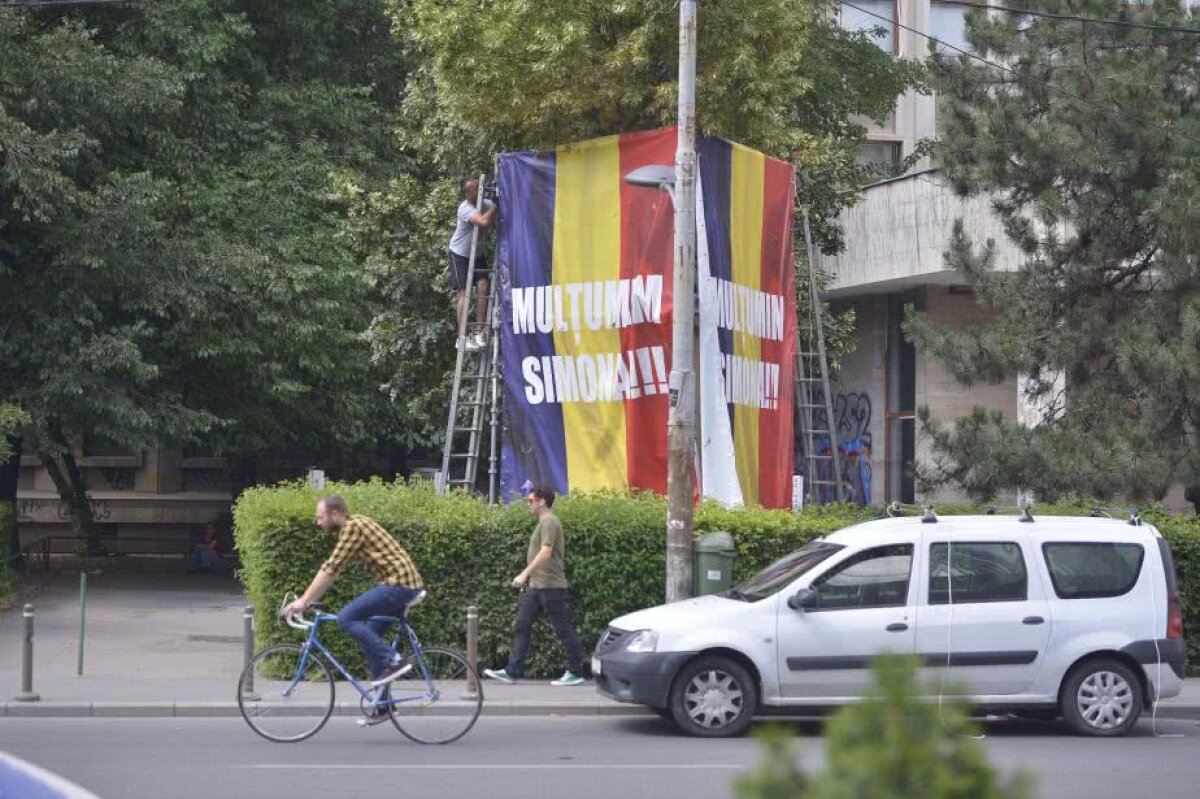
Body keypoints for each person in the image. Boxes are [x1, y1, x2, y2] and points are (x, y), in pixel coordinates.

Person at [283, 495, 424, 702]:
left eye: (320, 516)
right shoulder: (357, 524)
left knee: (346, 618)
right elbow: (334, 571)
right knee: (371, 637)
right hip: (403, 585)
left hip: (398, 585)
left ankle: (395, 660)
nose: (318, 522)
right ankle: (382, 704)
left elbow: (330, 568)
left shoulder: (353, 527)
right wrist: (309, 599)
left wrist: (303, 602)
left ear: (335, 514)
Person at [483, 487, 586, 687]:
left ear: (542, 502)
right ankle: (512, 671)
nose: (528, 504)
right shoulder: (543, 522)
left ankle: (576, 672)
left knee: (562, 628)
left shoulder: (549, 522)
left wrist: (524, 574)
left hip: (550, 585)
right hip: (537, 586)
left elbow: (546, 551)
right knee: (522, 624)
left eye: (531, 500)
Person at [447, 177, 496, 351]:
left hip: (478, 254)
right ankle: (461, 337)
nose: (479, 190)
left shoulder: (486, 202)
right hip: (460, 254)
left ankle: (479, 332)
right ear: (468, 193)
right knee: (464, 293)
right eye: (475, 189)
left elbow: (490, 219)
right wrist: (494, 208)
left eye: (479, 187)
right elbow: (483, 221)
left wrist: (494, 204)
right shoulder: (465, 208)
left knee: (483, 287)